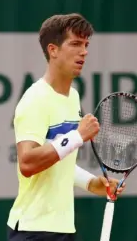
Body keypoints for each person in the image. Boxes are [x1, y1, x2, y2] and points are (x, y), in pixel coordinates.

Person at [7, 13, 126, 241]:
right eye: (75, 44)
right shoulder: (35, 99)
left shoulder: (72, 97)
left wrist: (91, 184)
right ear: (53, 50)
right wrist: (78, 135)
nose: (84, 51)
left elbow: (57, 163)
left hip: (62, 229)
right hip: (33, 231)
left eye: (86, 45)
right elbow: (28, 162)